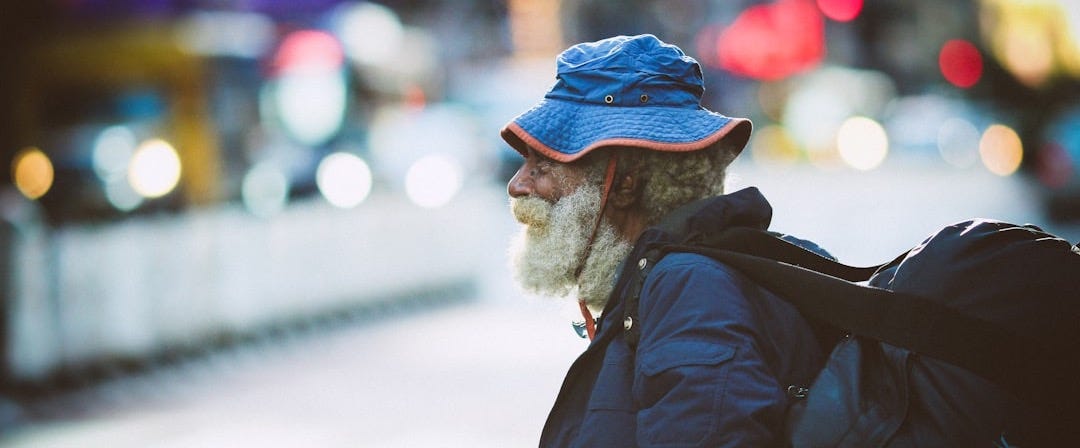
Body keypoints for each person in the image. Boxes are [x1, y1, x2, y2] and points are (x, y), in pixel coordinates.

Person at [501, 34, 828, 447]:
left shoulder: (693, 292)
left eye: (543, 165)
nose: (518, 185)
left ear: (624, 184)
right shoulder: (677, 284)